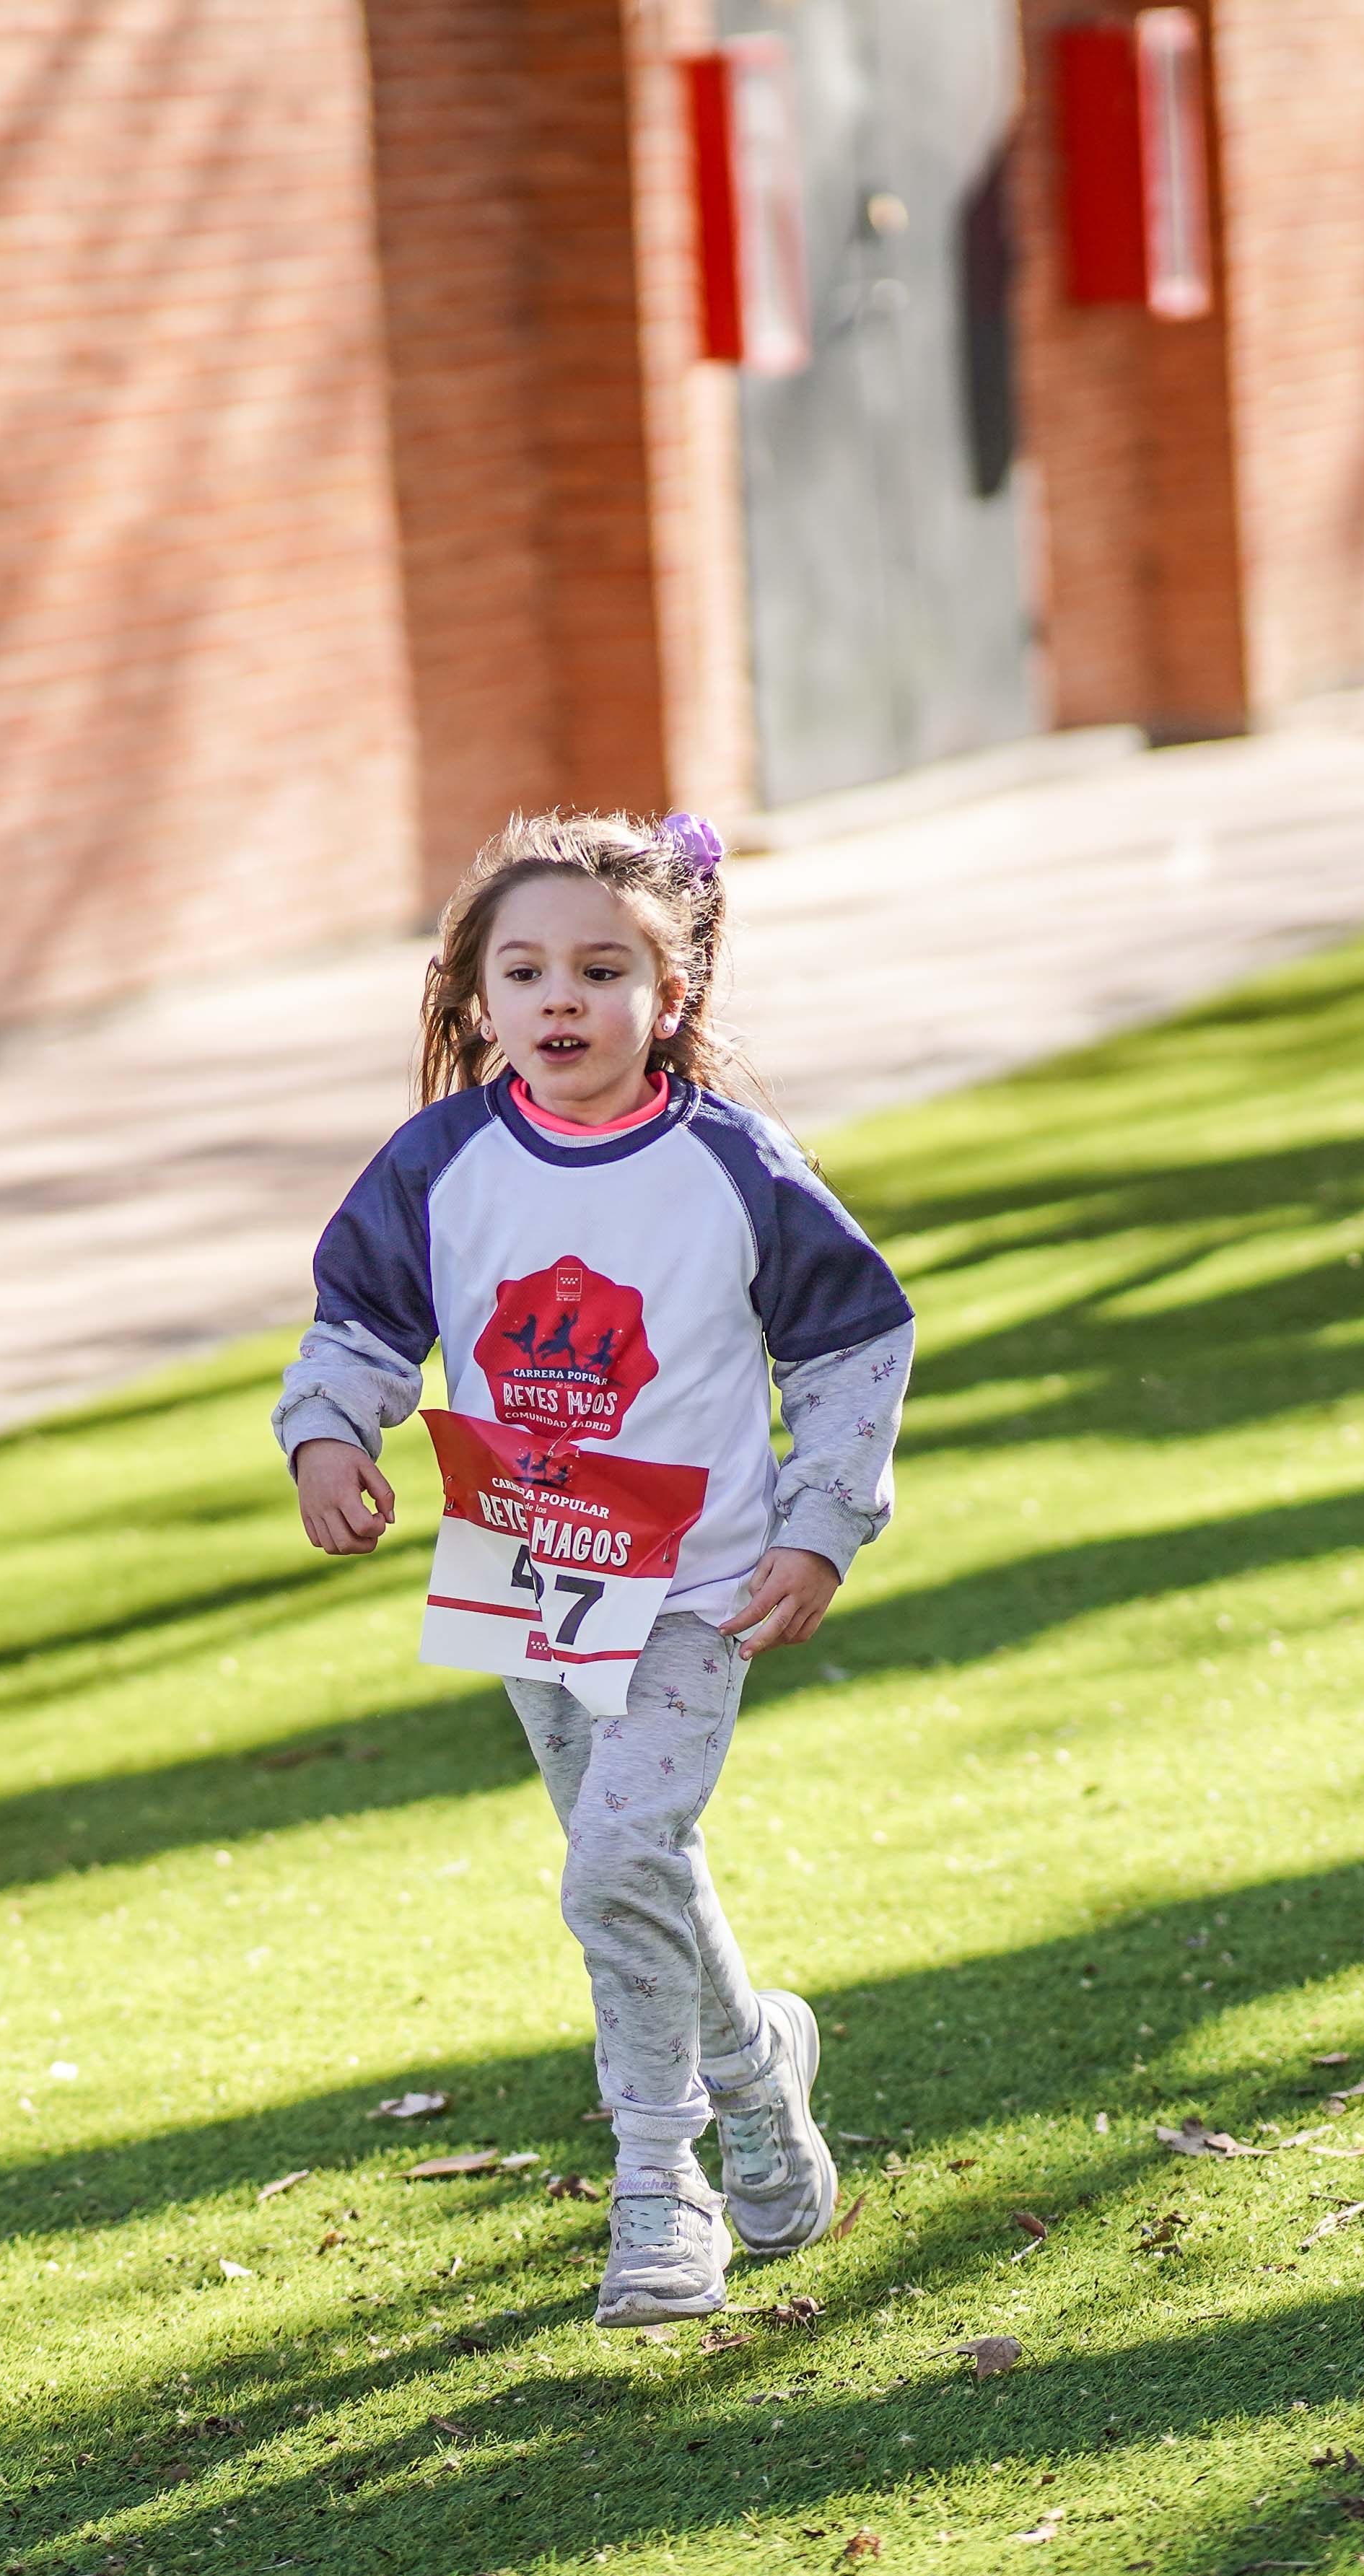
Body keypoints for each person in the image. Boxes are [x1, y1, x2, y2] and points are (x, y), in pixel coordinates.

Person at [274, 810, 912, 2328]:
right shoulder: (440, 1164)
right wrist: (327, 1435)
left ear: (669, 995)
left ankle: (660, 2184)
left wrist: (823, 1521)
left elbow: (855, 1343)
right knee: (636, 1865)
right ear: (478, 995)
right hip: (528, 1573)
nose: (562, 998)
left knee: (619, 1856)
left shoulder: (732, 1166)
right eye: (527, 970)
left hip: (702, 1585)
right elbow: (358, 1324)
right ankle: (759, 2076)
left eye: (602, 970)